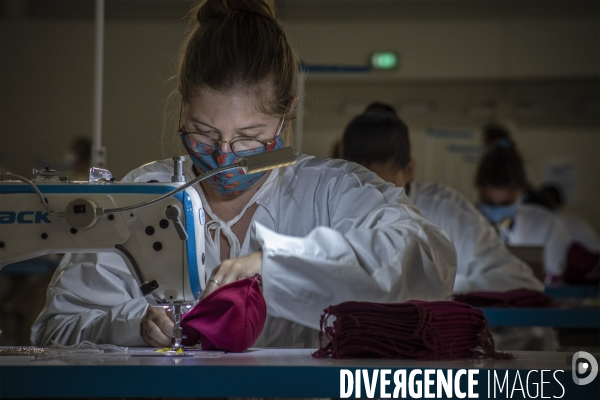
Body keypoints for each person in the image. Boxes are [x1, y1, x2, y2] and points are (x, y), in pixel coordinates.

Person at [31, 0, 456, 348]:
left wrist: (282, 264)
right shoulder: (139, 197)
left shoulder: (330, 191)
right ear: (182, 104)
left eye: (250, 138)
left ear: (286, 114)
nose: (223, 156)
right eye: (203, 132)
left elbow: (428, 259)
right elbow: (55, 328)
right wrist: (133, 324)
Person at [341, 103, 543, 294]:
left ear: (409, 170)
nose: (373, 201)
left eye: (383, 188)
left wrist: (447, 287)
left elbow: (520, 281)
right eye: (361, 190)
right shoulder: (335, 206)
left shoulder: (446, 211)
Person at [475, 136, 572, 280]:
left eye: (505, 203)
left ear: (521, 194)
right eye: (489, 202)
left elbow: (556, 276)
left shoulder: (546, 225)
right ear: (479, 193)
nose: (496, 210)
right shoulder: (462, 223)